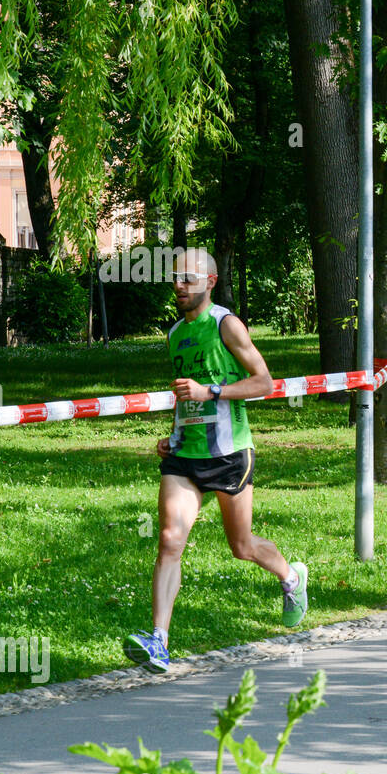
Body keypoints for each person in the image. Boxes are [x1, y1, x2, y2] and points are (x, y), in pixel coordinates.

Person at [124, 248, 309, 673]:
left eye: (189, 278)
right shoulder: (174, 334)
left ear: (210, 282)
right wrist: (171, 437)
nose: (179, 285)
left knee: (241, 547)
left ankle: (291, 578)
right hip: (185, 457)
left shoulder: (227, 325)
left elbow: (264, 381)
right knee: (170, 539)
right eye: (175, 278)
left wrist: (213, 391)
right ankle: (159, 641)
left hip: (229, 454)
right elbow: (182, 395)